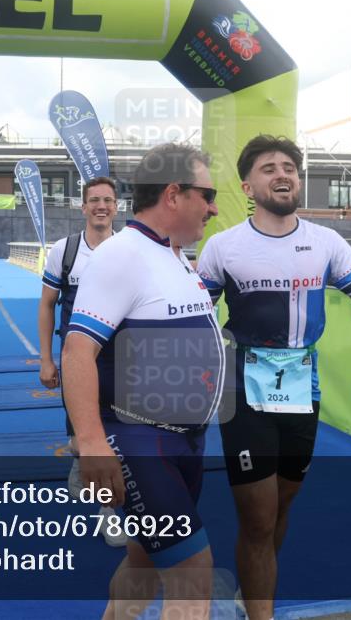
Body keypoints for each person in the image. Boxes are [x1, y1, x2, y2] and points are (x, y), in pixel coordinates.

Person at [197, 135, 351, 620]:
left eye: (289, 166)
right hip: (243, 390)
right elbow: (194, 314)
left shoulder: (326, 241)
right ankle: (260, 613)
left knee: (280, 509)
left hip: (301, 389)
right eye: (268, 168)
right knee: (259, 515)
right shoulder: (222, 247)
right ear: (248, 186)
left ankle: (252, 592)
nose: (282, 173)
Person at [62, 144, 222, 618]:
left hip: (183, 441)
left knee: (144, 563)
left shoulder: (172, 254)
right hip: (139, 439)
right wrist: (91, 442)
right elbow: (77, 351)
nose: (214, 207)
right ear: (174, 195)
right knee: (194, 571)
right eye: (207, 194)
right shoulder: (121, 255)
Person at [37, 176, 121, 547]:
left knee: (115, 436)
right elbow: (47, 305)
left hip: (123, 359)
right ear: (83, 207)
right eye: (94, 200)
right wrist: (45, 360)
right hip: (77, 360)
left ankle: (109, 514)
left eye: (108, 200)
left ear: (117, 206)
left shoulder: (130, 250)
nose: (101, 206)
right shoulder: (64, 251)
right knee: (80, 437)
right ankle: (78, 455)